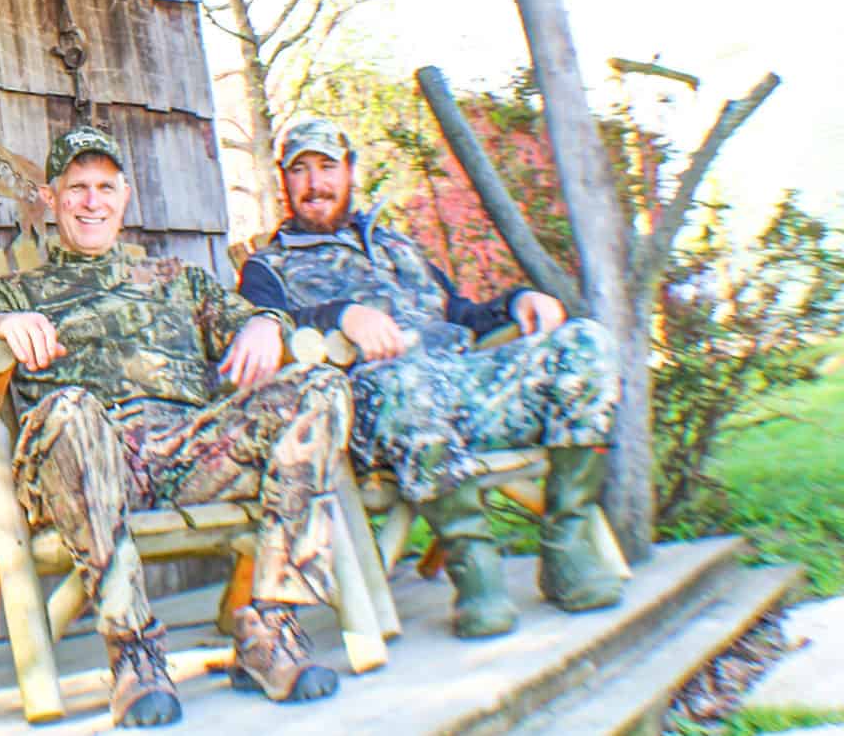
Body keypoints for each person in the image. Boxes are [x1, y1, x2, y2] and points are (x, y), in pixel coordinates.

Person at [0, 127, 353, 728]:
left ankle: (271, 629)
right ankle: (135, 652)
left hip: (190, 454)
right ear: (51, 198)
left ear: (124, 197)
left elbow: (250, 316)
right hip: (86, 466)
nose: (92, 201)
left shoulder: (179, 280)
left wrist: (266, 324)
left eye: (105, 187)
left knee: (322, 386)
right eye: (77, 188)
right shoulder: (19, 291)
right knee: (71, 408)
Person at [241, 118, 625, 639]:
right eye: (300, 171)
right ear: (284, 181)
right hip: (380, 411)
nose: (315, 184)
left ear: (350, 172)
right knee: (404, 382)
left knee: (587, 343)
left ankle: (567, 543)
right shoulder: (269, 266)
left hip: (466, 387)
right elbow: (264, 329)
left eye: (327, 168)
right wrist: (340, 316)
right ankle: (475, 568)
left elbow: (461, 315)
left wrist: (518, 300)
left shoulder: (398, 247)